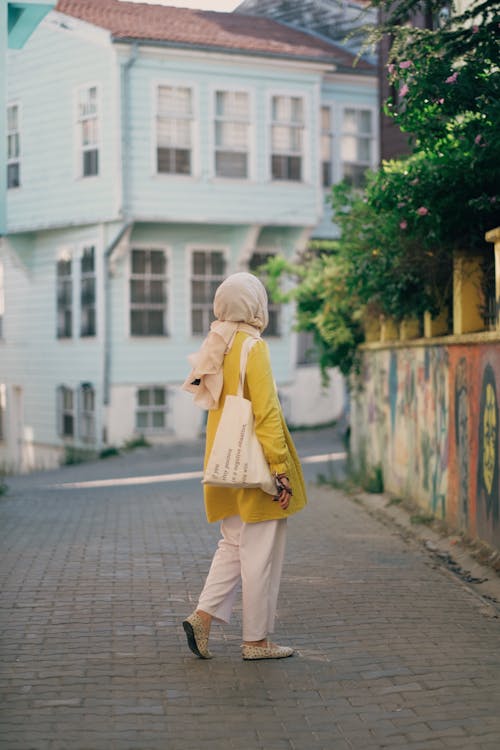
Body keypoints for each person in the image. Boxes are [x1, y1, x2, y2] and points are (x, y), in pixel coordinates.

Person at [181, 272, 307, 660]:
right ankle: (256, 641)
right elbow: (267, 411)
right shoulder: (254, 347)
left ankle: (202, 618)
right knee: (260, 555)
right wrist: (279, 467)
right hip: (255, 467)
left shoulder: (216, 343)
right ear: (255, 305)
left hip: (225, 463)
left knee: (233, 545)